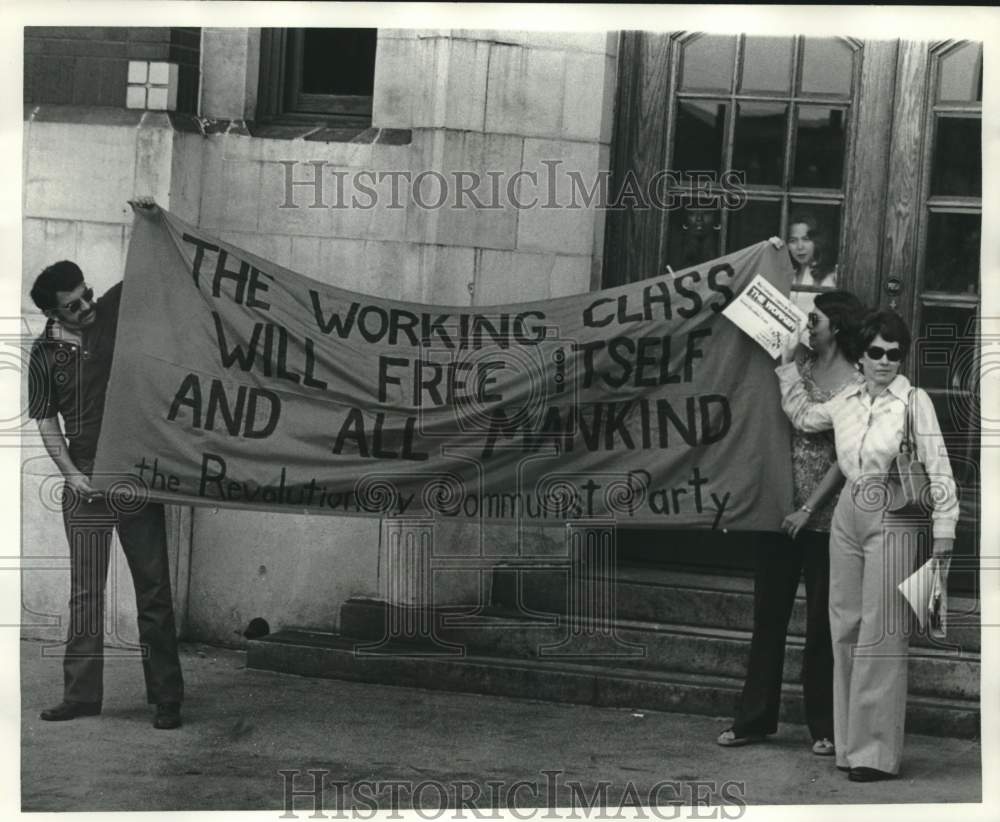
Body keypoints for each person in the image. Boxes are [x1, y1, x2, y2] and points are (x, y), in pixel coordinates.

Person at [774, 309, 958, 781]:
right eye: (876, 352)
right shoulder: (846, 399)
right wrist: (789, 364)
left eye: (894, 354)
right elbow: (801, 415)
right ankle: (850, 745)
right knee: (845, 626)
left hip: (894, 511)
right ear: (861, 354)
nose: (884, 361)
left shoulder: (913, 402)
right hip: (848, 511)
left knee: (882, 633)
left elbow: (938, 469)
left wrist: (943, 536)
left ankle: (875, 753)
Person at [28, 251, 185, 730]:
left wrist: (148, 214)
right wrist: (71, 474)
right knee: (86, 593)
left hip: (133, 473)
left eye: (87, 296)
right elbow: (45, 419)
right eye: (73, 307)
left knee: (153, 588)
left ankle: (166, 698)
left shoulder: (109, 312)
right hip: (84, 479)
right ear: (53, 314)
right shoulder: (42, 355)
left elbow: (150, 262)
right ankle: (80, 696)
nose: (87, 308)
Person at [717, 291, 866, 756]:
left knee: (823, 624)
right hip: (779, 513)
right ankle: (754, 718)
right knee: (768, 618)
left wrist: (810, 509)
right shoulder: (795, 369)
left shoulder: (858, 382)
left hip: (828, 518)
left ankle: (824, 725)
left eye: (815, 318)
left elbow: (846, 457)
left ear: (836, 326)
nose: (808, 325)